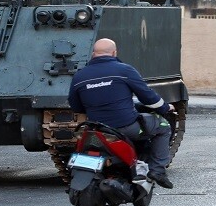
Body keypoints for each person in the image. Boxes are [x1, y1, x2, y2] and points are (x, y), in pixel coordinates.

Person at [68, 38, 176, 189]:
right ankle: (157, 171)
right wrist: (165, 108)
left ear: (93, 54)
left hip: (97, 129)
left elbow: (76, 106)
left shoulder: (79, 76)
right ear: (114, 53)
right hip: (126, 127)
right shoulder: (124, 70)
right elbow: (148, 96)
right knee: (163, 126)